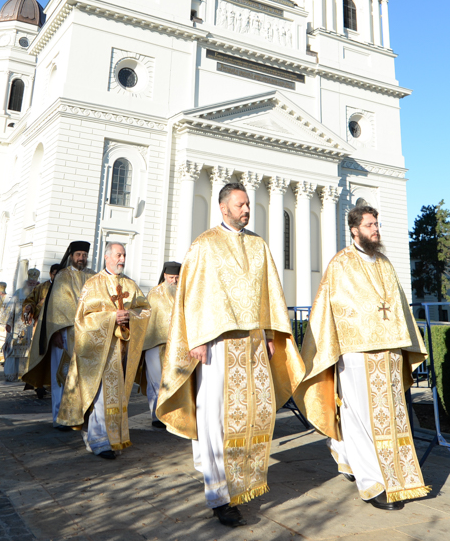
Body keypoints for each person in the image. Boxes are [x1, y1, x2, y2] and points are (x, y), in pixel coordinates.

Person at [158, 182, 305, 527]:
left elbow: (270, 292)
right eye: (240, 205)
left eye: (248, 205)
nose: (246, 209)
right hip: (216, 344)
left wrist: (269, 333)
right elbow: (191, 296)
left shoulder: (259, 245)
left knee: (254, 413)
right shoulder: (204, 246)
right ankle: (219, 495)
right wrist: (195, 339)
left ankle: (244, 481)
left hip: (252, 343)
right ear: (223, 208)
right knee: (215, 417)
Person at [294, 204, 431, 510]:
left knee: (391, 419)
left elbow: (397, 305)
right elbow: (332, 308)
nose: (376, 229)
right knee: (359, 417)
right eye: (370, 225)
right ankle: (372, 484)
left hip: (389, 353)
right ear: (354, 229)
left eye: (376, 224)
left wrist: (402, 342)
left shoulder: (384, 263)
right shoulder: (341, 264)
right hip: (357, 352)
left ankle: (391, 474)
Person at [57, 243, 150, 458]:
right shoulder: (93, 284)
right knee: (100, 395)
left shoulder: (130, 284)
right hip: (98, 351)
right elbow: (82, 319)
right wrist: (110, 318)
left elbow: (144, 309)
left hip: (122, 350)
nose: (122, 259)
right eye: (119, 255)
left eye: (124, 255)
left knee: (116, 396)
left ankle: (110, 436)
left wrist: (130, 317)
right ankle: (100, 441)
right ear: (107, 257)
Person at [22, 240, 93, 429]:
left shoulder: (93, 277)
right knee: (61, 376)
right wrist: (54, 333)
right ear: (71, 256)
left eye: (84, 255)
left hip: (88, 335)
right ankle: (59, 417)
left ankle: (79, 415)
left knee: (83, 377)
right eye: (78, 255)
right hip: (63, 334)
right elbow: (53, 307)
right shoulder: (62, 275)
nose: (81, 258)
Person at [139, 261, 180, 428]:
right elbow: (147, 319)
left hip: (176, 345)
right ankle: (156, 415)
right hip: (155, 344)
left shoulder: (183, 292)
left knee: (174, 380)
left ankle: (173, 414)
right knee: (156, 381)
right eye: (171, 277)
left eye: (177, 277)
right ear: (164, 275)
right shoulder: (154, 294)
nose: (174, 281)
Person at [21, 264, 59, 399]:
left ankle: (53, 383)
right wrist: (29, 307)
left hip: (58, 328)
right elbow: (30, 300)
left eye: (58, 274)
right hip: (42, 326)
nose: (56, 276)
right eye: (54, 273)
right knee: (40, 353)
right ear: (50, 274)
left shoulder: (64, 288)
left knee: (55, 356)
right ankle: (38, 384)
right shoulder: (41, 288)